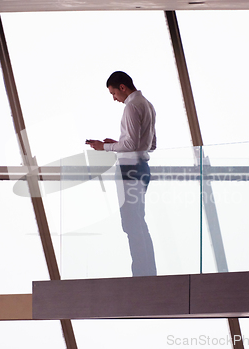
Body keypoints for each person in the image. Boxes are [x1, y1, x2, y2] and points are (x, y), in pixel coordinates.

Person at [86, 71, 157, 277]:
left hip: (129, 169)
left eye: (113, 93)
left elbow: (131, 144)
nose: (114, 98)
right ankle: (148, 271)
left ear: (122, 87)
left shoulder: (132, 107)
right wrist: (116, 143)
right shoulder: (148, 105)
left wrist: (104, 147)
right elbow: (150, 144)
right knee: (138, 221)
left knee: (130, 223)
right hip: (143, 167)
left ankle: (141, 274)